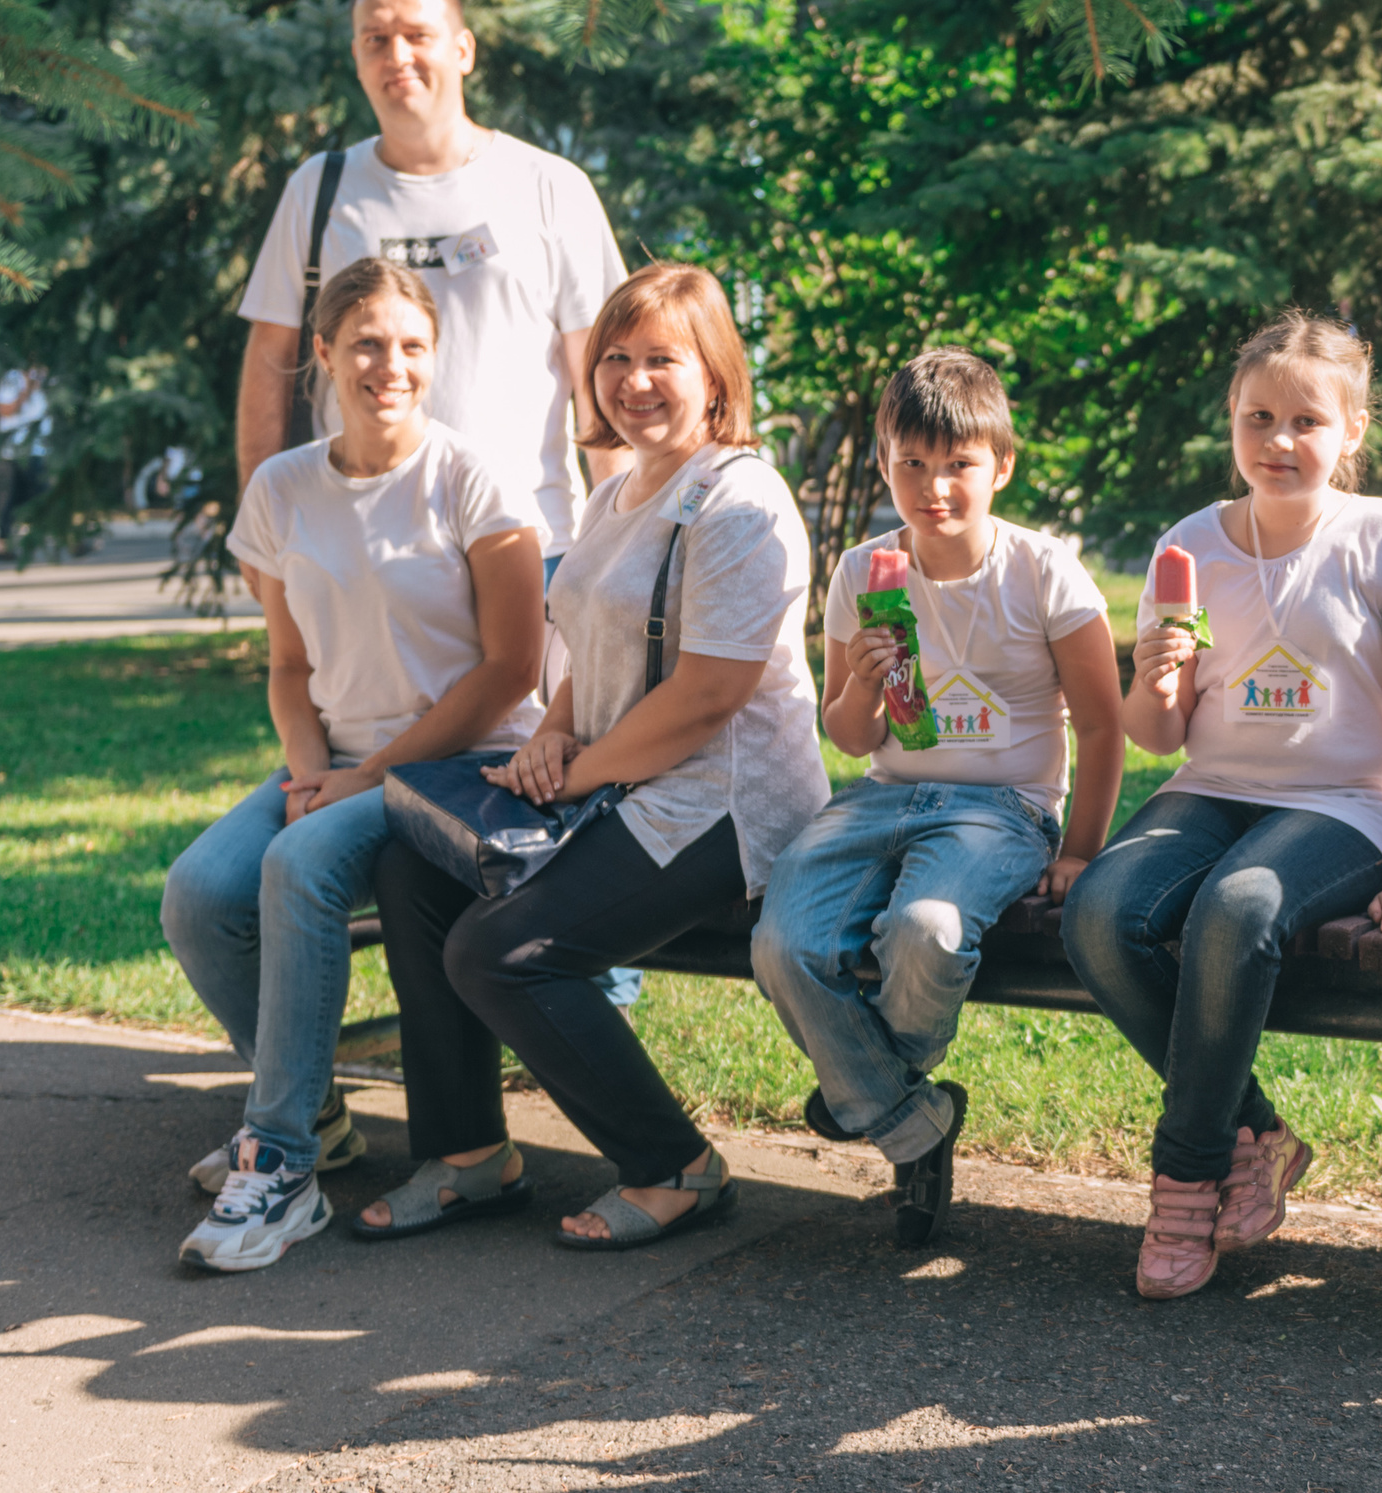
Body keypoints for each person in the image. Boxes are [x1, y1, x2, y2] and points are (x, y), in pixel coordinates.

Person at [357, 262, 830, 1251]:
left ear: (715, 375)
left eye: (663, 358)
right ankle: (466, 1154)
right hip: (619, 777)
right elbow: (588, 639)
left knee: (504, 951)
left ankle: (674, 1165)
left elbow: (710, 692)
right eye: (615, 357)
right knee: (413, 868)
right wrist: (551, 734)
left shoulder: (739, 503)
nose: (634, 379)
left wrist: (578, 772)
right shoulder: (618, 492)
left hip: (720, 806)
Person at [1060, 313, 1382, 1300]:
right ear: (1230, 421)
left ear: (1351, 430)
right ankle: (1258, 1132)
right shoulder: (1189, 545)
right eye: (1258, 417)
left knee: (1238, 905)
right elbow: (1158, 737)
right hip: (1210, 788)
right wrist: (1156, 676)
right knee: (1101, 912)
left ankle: (1187, 1178)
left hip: (1345, 807)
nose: (1279, 441)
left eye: (1305, 420)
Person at [162, 257, 547, 1273]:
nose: (392, 364)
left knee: (301, 867)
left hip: (463, 760)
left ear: (435, 355)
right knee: (199, 892)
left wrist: (364, 777)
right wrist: (305, 774)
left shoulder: (473, 476)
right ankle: (319, 1113)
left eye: (413, 345)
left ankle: (279, 1164)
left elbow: (514, 667)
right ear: (324, 354)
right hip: (335, 757)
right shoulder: (283, 487)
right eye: (368, 343)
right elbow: (290, 666)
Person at [751, 350, 1123, 1247]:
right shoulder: (862, 573)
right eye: (911, 464)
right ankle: (911, 1117)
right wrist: (866, 684)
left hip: (1005, 808)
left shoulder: (1043, 572)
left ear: (1000, 466)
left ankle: (873, 1091)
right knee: (780, 941)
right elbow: (848, 736)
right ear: (885, 464)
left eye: (958, 464)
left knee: (928, 931)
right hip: (885, 795)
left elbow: (1106, 726)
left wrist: (1077, 851)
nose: (935, 487)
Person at [233, 0, 628, 559]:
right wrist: (259, 532)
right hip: (355, 551)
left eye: (418, 35)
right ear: (357, 57)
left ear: (463, 49)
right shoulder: (318, 190)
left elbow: (603, 375)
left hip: (530, 544)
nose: (398, 55)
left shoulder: (548, 187)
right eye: (376, 39)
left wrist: (623, 541)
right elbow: (270, 362)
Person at [0, 363, 49, 559]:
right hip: (12, 453)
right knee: (7, 502)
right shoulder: (13, 378)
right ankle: (2, 546)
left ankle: (60, 541)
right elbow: (5, 410)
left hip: (39, 452)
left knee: (44, 497)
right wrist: (27, 390)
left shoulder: (50, 381)